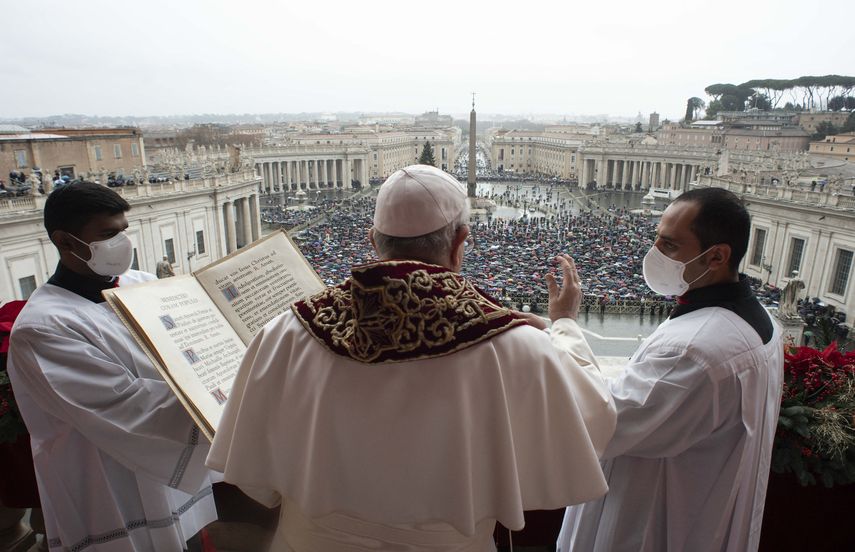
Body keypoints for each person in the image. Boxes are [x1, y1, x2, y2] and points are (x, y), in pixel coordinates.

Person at [208, 165, 616, 551]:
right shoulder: (515, 345)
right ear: (460, 244)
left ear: (373, 241)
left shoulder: (287, 331)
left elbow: (253, 474)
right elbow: (594, 418)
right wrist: (563, 324)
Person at [557, 187, 784, 552]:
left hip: (648, 526)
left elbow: (599, 422)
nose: (654, 254)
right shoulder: (761, 324)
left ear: (717, 257)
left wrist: (565, 325)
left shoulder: (692, 350)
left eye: (670, 245)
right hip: (705, 511)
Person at [7, 182, 217, 551]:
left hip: (171, 465)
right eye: (107, 234)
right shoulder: (43, 327)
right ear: (66, 241)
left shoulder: (143, 286)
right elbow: (128, 405)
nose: (122, 242)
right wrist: (229, 400)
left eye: (124, 231)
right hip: (105, 478)